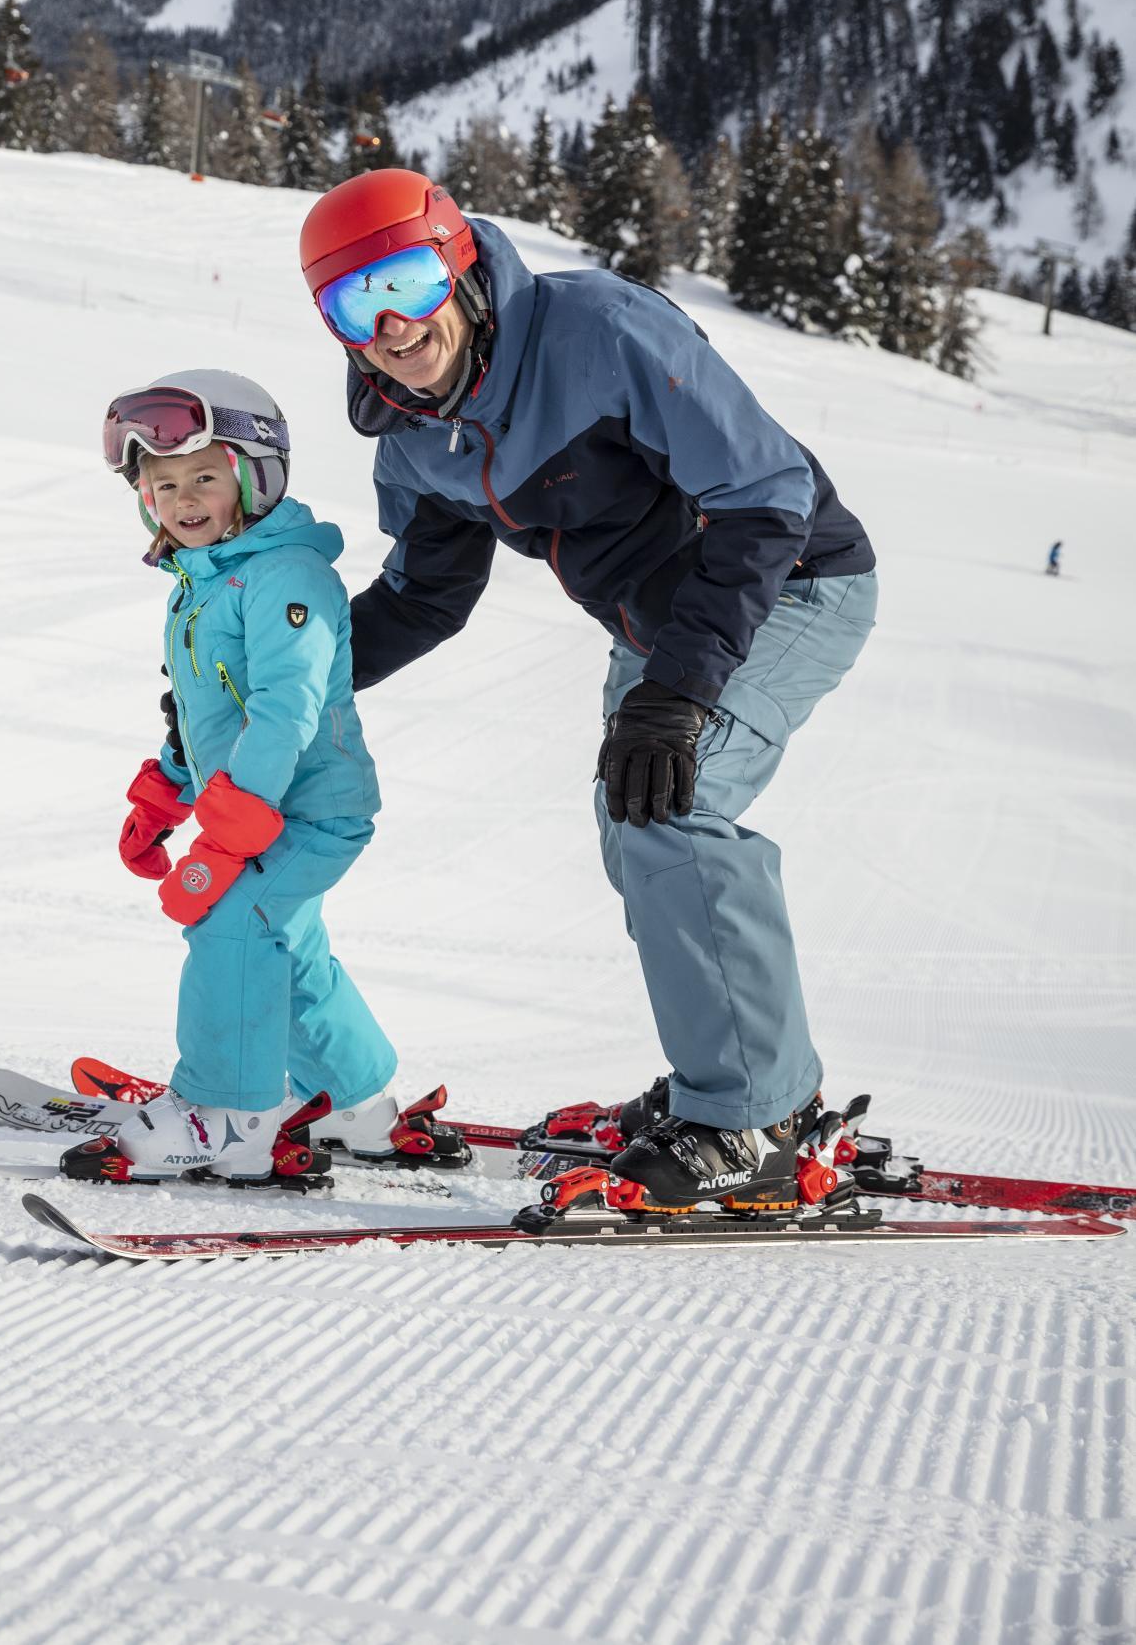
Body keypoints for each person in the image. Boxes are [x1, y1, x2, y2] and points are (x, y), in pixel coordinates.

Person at [299, 169, 878, 1215]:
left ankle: (750, 1118)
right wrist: (277, 686)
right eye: (354, 303)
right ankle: (746, 1084)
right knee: (637, 825)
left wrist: (677, 692)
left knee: (673, 805)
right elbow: (424, 598)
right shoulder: (412, 434)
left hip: (786, 583)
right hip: (656, 628)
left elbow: (764, 494)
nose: (391, 324)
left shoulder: (598, 331)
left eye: (409, 279)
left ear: (460, 264)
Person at [73, 367, 457, 1188]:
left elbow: (287, 706)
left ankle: (228, 1118)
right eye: (163, 482)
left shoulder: (286, 576)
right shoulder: (200, 584)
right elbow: (201, 710)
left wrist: (237, 815)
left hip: (309, 811)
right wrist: (164, 795)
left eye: (205, 477)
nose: (182, 498)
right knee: (289, 944)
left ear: (254, 478)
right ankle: (351, 1102)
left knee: (231, 924)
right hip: (250, 810)